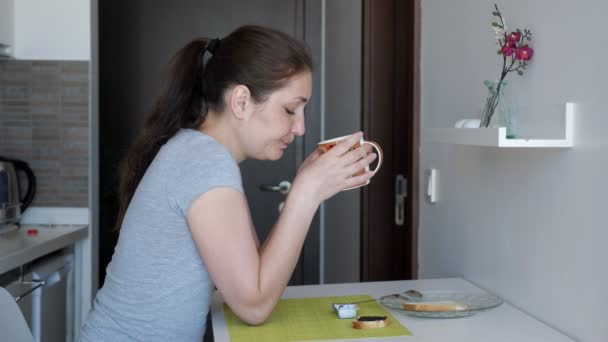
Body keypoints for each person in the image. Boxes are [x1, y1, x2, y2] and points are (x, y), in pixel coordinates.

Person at [79, 25, 377, 341]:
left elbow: (253, 276)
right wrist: (305, 194)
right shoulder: (204, 163)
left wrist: (307, 184)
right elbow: (254, 306)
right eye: (290, 109)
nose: (301, 127)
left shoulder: (198, 152)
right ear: (241, 101)